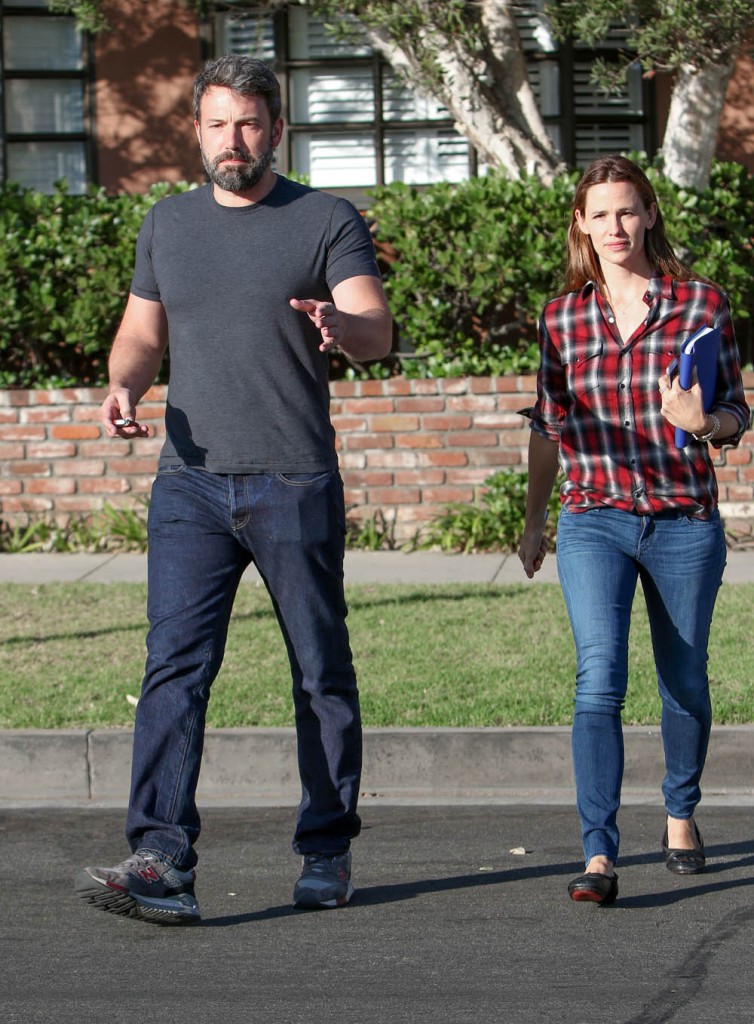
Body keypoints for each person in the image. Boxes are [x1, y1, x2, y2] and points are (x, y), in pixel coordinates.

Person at [74, 54, 392, 925]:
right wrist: (125, 386)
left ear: (276, 130)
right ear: (198, 130)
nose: (232, 140)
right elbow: (141, 330)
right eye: (217, 123)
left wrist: (341, 321)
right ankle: (161, 858)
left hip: (294, 477)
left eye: (248, 123)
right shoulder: (168, 224)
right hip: (189, 482)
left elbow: (373, 327)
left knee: (319, 668)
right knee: (174, 668)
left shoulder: (325, 218)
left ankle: (326, 848)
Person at [518, 155, 750, 906]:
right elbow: (551, 428)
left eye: (628, 211)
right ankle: (597, 853)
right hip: (593, 519)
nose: (614, 227)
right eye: (599, 214)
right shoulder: (561, 317)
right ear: (580, 225)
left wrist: (703, 422)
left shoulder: (701, 303)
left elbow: (737, 414)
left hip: (683, 521)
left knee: (683, 679)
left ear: (648, 214)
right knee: (598, 679)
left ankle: (680, 813)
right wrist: (532, 522)